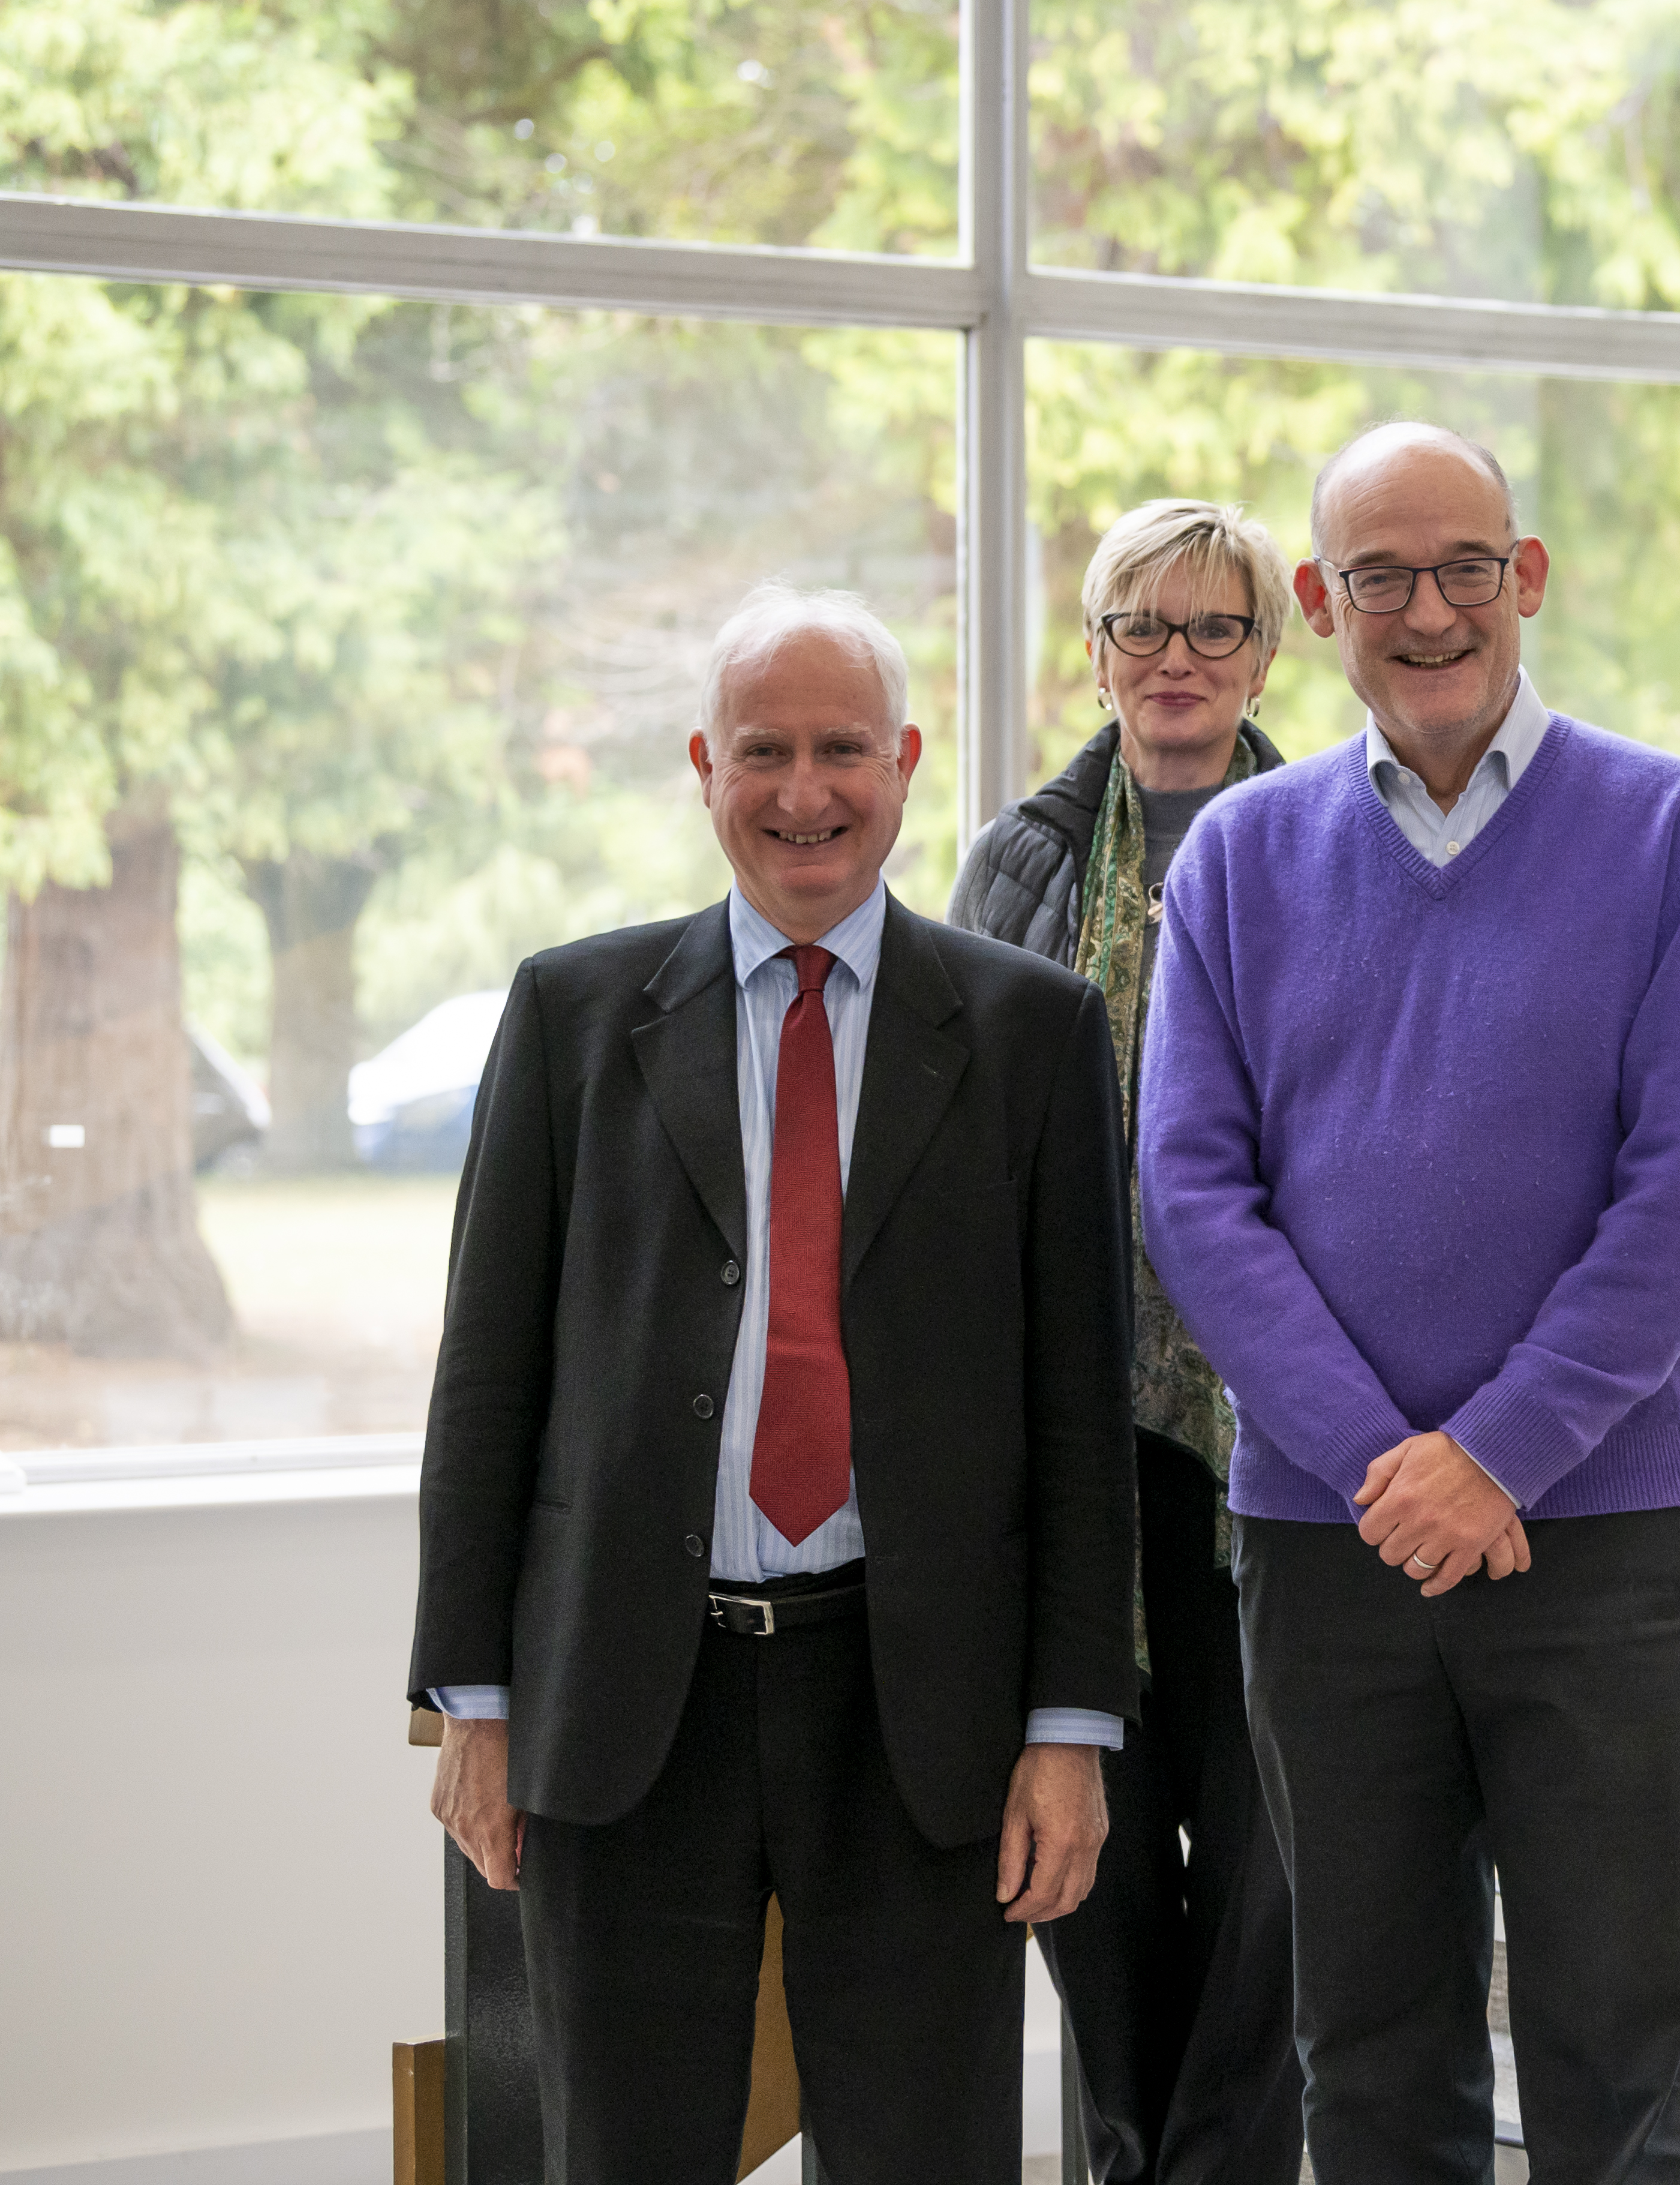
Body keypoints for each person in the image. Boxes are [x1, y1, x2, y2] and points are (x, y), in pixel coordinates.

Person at [411, 586, 1138, 2181]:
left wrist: (1071, 1724)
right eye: (764, 752)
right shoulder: (572, 1016)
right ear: (702, 765)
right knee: (624, 2147)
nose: (804, 793)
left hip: (919, 1706)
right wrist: (466, 1698)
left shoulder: (1030, 1034)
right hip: (626, 1701)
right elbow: (489, 1377)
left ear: (906, 761)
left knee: (926, 2150)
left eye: (840, 751)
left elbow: (1080, 1414)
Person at [1135, 422, 1680, 2185]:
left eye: (1467, 567)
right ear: (1325, 604)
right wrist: (1383, 1467)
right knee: (1372, 2059)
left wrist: (1496, 1456)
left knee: (1618, 2063)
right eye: (1386, 577)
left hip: (1610, 1532)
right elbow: (1192, 1193)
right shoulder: (1242, 861)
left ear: (1528, 579)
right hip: (1333, 1550)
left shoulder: (1669, 834)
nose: (1432, 611)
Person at [948, 500, 1302, 2185]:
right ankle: (1128, 2150)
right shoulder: (1016, 860)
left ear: (1266, 653)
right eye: (1140, 631)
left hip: (1276, 1441)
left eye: (1214, 630)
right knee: (1085, 1868)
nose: (1176, 663)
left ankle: (1214, 2162)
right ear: (1091, 657)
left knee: (1264, 1859)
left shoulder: (1333, 838)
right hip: (1072, 1440)